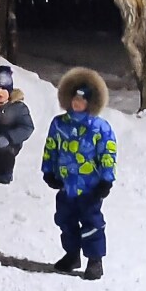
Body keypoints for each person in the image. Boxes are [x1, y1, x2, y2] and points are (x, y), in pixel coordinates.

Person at [41, 68, 115, 279]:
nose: (77, 103)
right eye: (74, 99)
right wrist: (48, 171)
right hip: (66, 185)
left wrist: (106, 180)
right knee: (65, 220)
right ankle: (72, 254)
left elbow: (108, 153)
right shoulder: (59, 124)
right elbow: (51, 148)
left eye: (82, 100)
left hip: (89, 187)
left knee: (92, 222)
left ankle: (95, 260)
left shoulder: (99, 127)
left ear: (90, 103)